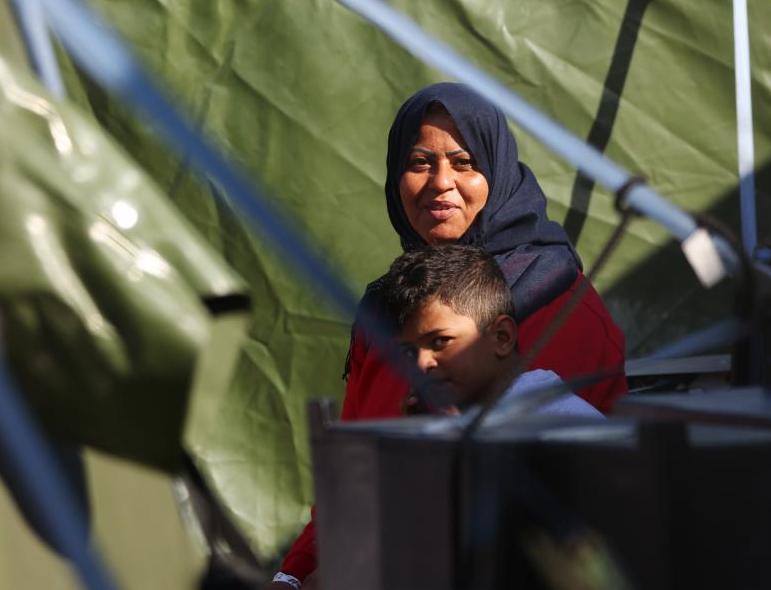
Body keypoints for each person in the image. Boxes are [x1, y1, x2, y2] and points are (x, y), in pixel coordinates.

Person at [267, 83, 625, 589]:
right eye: (419, 163)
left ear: (496, 174)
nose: (441, 183)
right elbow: (350, 483)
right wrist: (291, 577)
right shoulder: (390, 308)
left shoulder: (559, 304)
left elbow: (542, 498)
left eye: (463, 162)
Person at [382, 244, 602, 419]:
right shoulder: (451, 420)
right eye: (409, 353)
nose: (422, 364)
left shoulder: (567, 431)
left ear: (501, 337)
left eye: (440, 341)